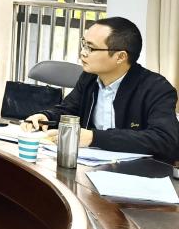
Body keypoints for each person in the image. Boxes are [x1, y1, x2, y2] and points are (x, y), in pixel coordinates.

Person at [22, 17, 179, 161]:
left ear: (120, 57)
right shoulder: (89, 78)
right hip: (91, 165)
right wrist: (45, 117)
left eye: (91, 48)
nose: (83, 53)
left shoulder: (156, 88)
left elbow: (165, 140)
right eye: (84, 44)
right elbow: (70, 108)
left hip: (139, 172)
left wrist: (93, 138)